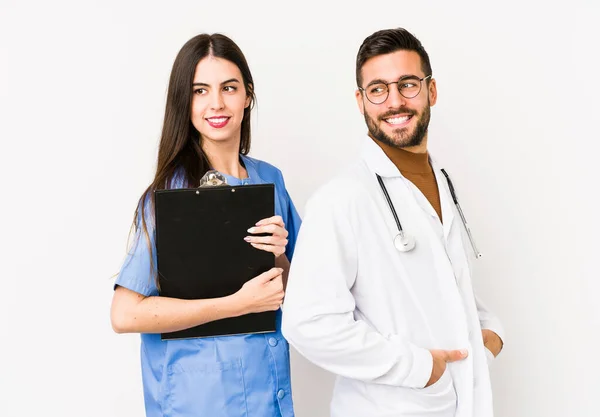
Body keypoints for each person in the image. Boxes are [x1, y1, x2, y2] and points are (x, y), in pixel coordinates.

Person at [281, 27, 504, 417]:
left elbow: (440, 285)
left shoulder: (442, 183)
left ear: (431, 91)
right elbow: (306, 323)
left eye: (408, 84)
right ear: (361, 101)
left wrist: (490, 332)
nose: (395, 101)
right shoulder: (342, 199)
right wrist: (420, 369)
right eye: (378, 89)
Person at [110, 33, 300, 417]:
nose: (216, 103)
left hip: (269, 392)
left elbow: (301, 294)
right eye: (200, 90)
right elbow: (125, 313)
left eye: (228, 88)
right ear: (185, 102)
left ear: (248, 95)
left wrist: (279, 257)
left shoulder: (270, 180)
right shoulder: (171, 194)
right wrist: (234, 305)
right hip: (201, 399)